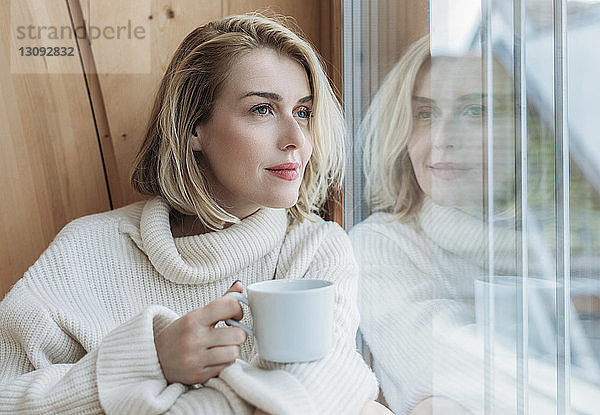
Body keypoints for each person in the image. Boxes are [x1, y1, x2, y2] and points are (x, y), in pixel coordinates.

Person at [0, 14, 389, 415]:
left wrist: (156, 394)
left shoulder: (316, 249)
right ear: (193, 128)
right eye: (262, 109)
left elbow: (331, 389)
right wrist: (150, 361)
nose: (296, 139)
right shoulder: (86, 250)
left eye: (303, 112)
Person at [349, 36, 520, 414]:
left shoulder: (561, 247)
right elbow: (455, 376)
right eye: (425, 114)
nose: (442, 140)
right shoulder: (382, 244)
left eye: (476, 111)